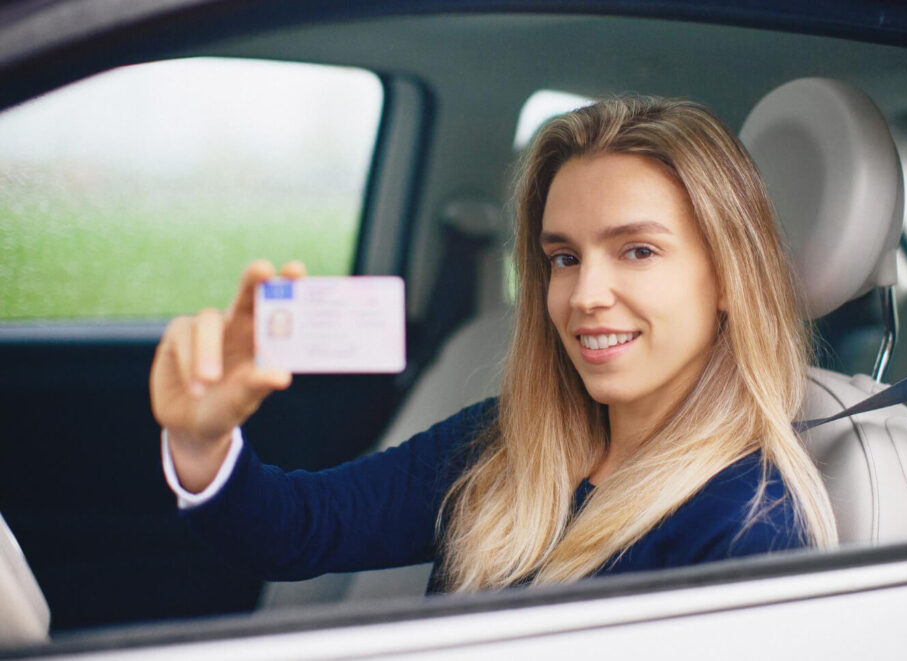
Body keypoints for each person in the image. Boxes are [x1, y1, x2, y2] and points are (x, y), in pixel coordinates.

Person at [150, 96, 838, 594]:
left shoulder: (750, 525)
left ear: (726, 278)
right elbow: (299, 527)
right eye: (564, 257)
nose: (585, 293)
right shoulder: (506, 443)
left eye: (635, 250)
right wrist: (202, 442)